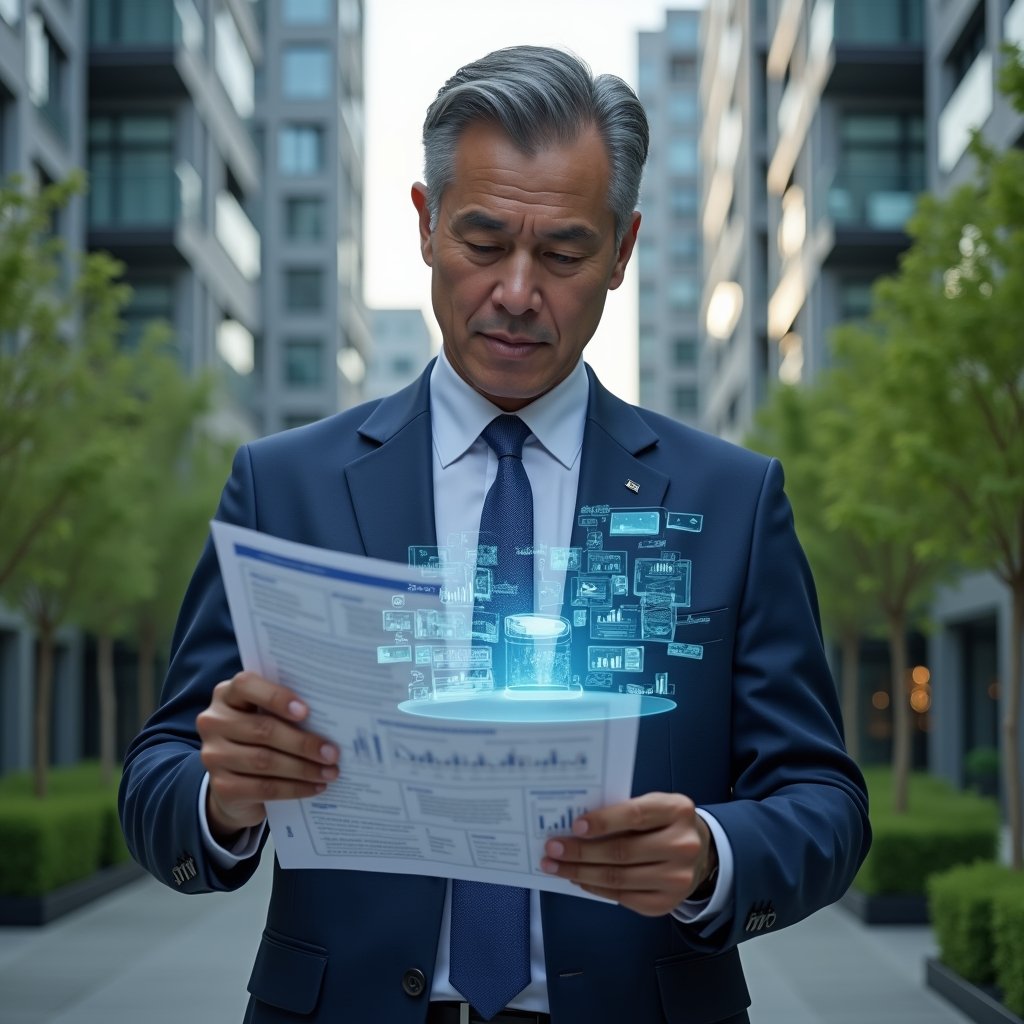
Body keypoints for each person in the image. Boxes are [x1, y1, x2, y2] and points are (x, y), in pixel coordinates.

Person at [120, 45, 870, 1024]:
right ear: (426, 225)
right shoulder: (283, 485)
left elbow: (822, 796)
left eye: (561, 253)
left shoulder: (729, 499)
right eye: (482, 243)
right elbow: (159, 774)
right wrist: (223, 799)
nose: (518, 292)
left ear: (623, 248)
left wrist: (710, 857)